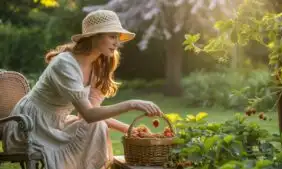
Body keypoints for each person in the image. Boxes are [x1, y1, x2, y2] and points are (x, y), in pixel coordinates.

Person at [2, 9, 163, 169]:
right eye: (112, 36)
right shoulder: (65, 64)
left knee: (97, 126)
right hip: (28, 125)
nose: (117, 43)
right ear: (94, 36)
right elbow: (89, 114)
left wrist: (129, 130)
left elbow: (90, 115)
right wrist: (131, 104)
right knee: (96, 125)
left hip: (56, 123)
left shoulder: (98, 67)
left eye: (118, 38)